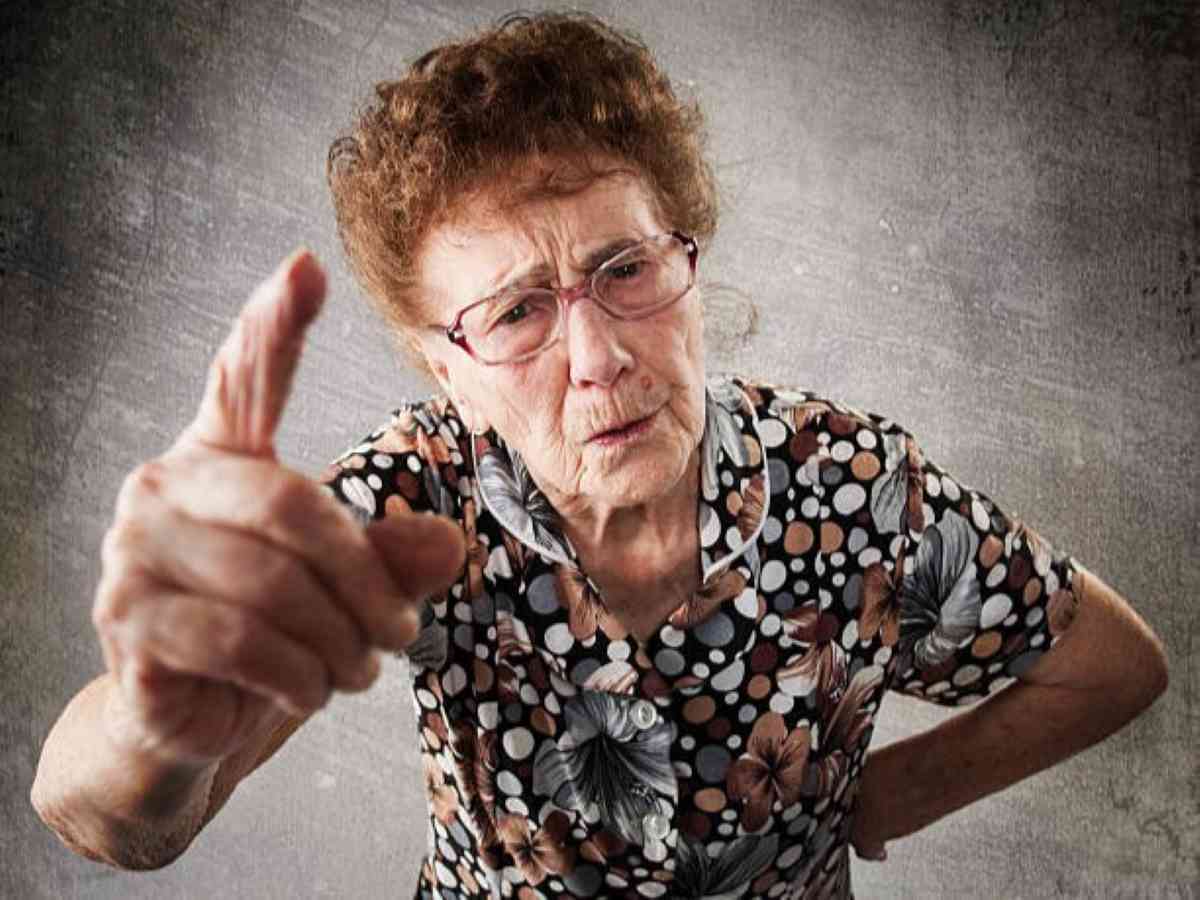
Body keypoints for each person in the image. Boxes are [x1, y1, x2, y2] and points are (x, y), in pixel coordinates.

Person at [31, 12, 1168, 900]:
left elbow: (1114, 666)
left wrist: (892, 797)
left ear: (688, 255)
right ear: (446, 369)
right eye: (518, 313)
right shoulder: (412, 507)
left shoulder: (851, 486)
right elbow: (114, 823)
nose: (598, 359)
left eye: (625, 269)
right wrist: (156, 700)